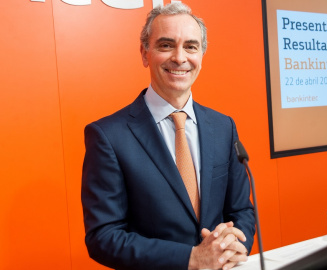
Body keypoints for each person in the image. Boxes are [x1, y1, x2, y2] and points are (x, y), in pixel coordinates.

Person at [81, 2, 256, 270]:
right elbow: (103, 237)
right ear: (144, 53)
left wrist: (233, 246)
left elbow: (241, 210)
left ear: (202, 54)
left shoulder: (223, 126)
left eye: (191, 46)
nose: (180, 57)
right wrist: (192, 259)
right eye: (166, 45)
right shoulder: (108, 136)